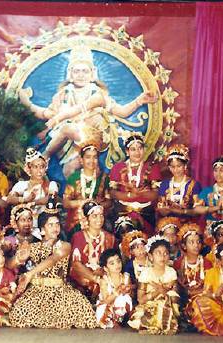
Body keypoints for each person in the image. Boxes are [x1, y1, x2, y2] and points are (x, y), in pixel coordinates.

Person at [18, 44, 157, 176]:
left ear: (92, 74)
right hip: (71, 144)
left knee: (68, 129)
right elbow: (47, 114)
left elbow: (122, 112)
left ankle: (44, 157)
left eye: (85, 71)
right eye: (76, 71)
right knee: (69, 168)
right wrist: (28, 104)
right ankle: (68, 196)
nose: (81, 75)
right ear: (70, 74)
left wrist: (139, 101)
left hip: (94, 139)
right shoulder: (64, 94)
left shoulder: (98, 95)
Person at [8, 209, 98, 329]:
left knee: (81, 313)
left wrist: (30, 274)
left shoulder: (65, 246)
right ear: (41, 230)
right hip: (37, 292)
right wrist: (18, 258)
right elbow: (9, 265)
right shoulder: (33, 246)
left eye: (57, 224)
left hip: (60, 292)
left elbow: (53, 259)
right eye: (50, 225)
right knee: (17, 315)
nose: (55, 227)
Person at [109, 133, 161, 234]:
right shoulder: (118, 168)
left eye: (140, 148)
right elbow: (112, 193)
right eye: (133, 149)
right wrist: (130, 195)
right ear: (127, 152)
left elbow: (155, 194)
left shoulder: (152, 167)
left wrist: (138, 193)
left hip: (146, 213)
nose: (137, 152)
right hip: (123, 213)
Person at [127, 235, 180, 335]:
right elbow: (140, 299)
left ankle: (163, 323)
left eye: (166, 253)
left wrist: (163, 291)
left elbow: (175, 297)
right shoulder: (146, 273)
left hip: (166, 305)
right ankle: (155, 324)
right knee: (139, 318)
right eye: (158, 253)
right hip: (148, 305)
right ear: (151, 256)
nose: (162, 256)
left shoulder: (171, 272)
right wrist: (156, 292)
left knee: (168, 299)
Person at [69, 201, 116, 301]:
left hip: (104, 277)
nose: (99, 219)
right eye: (94, 216)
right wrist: (95, 279)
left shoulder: (109, 237)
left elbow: (112, 261)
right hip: (82, 281)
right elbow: (76, 264)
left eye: (101, 215)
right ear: (87, 219)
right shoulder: (78, 237)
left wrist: (103, 273)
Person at [63, 140, 112, 233]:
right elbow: (66, 203)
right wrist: (83, 203)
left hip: (98, 219)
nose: (92, 161)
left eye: (95, 157)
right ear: (81, 160)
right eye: (88, 157)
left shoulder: (104, 178)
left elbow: (109, 202)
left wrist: (95, 206)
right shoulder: (74, 177)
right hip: (77, 220)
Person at [6, 148, 58, 226]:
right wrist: (25, 199)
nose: (39, 171)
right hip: (25, 225)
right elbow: (9, 199)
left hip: (45, 225)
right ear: (29, 169)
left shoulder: (51, 185)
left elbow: (50, 199)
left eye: (42, 167)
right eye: (35, 167)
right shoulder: (21, 185)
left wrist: (31, 203)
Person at [156, 144, 202, 223]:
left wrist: (181, 211)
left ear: (185, 166)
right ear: (169, 167)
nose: (176, 170)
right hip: (168, 224)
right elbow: (161, 208)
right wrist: (163, 210)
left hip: (187, 224)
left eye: (179, 166)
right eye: (172, 167)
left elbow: (197, 211)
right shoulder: (164, 184)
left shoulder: (194, 185)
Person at [173, 223, 212, 306]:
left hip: (203, 300)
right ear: (184, 246)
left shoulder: (207, 263)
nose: (196, 245)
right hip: (183, 300)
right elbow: (177, 288)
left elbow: (209, 287)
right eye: (192, 242)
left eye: (198, 242)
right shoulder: (178, 263)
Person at [95, 248, 132, 329]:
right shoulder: (104, 280)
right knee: (117, 300)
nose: (117, 265)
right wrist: (117, 291)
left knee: (124, 298)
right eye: (112, 263)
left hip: (121, 307)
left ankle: (120, 319)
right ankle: (115, 321)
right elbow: (106, 300)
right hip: (107, 308)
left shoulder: (125, 277)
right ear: (105, 268)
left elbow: (129, 296)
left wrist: (127, 290)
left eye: (118, 261)